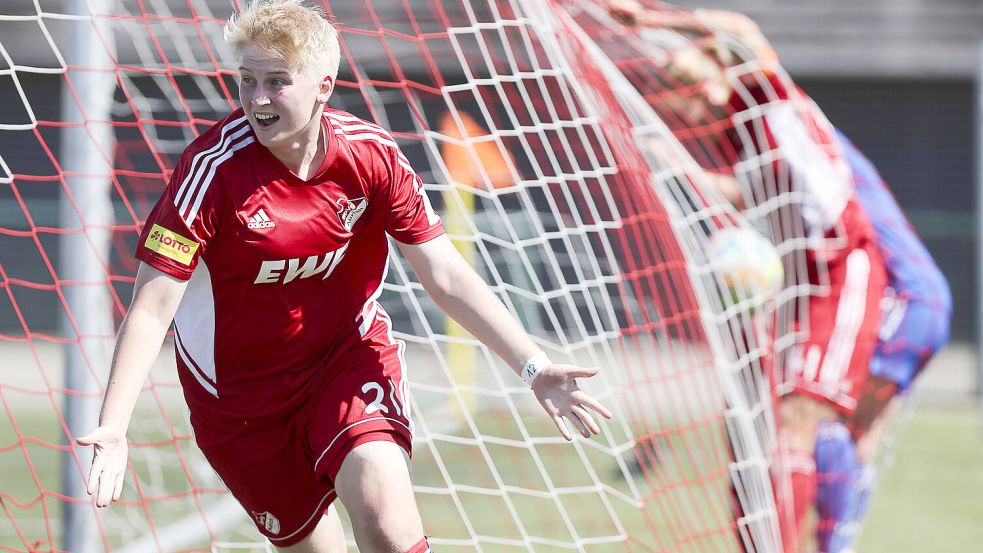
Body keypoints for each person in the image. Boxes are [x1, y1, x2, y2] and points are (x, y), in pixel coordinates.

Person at [75, 1, 612, 551]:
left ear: (323, 86)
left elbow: (445, 273)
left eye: (277, 82)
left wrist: (533, 365)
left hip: (345, 359)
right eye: (248, 80)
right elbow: (151, 307)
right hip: (240, 404)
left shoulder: (371, 156)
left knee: (385, 521)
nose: (258, 99)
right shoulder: (210, 172)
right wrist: (115, 426)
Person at [600, 4, 887, 552]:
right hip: (794, 284)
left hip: (841, 267)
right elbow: (752, 191)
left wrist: (650, 18)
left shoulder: (763, 96)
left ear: (718, 69)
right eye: (688, 93)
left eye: (701, 79)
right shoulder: (739, 135)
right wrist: (671, 163)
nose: (702, 98)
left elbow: (744, 31)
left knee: (796, 421)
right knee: (749, 424)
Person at [813, 130, 951, 553]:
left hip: (906, 300)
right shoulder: (831, 145)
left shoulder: (809, 145)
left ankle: (832, 543)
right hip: (924, 298)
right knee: (860, 436)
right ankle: (838, 541)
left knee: (830, 421)